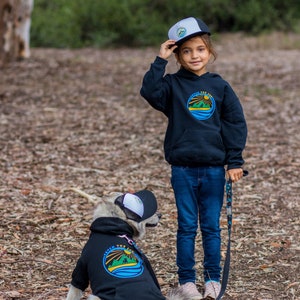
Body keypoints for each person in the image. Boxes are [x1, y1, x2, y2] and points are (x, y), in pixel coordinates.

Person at [140, 17, 247, 299]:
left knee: (211, 227)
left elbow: (235, 122)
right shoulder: (172, 86)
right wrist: (159, 61)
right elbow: (149, 91)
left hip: (213, 169)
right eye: (186, 51)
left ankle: (212, 278)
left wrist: (234, 160)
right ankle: (187, 281)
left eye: (199, 49)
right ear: (177, 55)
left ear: (209, 52)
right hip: (183, 169)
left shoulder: (219, 86)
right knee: (187, 227)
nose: (194, 56)